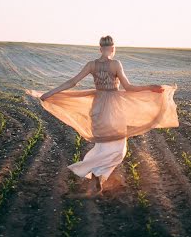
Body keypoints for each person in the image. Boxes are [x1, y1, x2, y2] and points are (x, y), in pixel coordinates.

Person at [25, 35, 179, 196]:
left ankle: (95, 179)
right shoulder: (116, 64)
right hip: (114, 108)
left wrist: (49, 93)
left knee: (102, 146)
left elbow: (72, 82)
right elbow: (128, 87)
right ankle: (97, 174)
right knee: (118, 148)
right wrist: (150, 87)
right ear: (113, 49)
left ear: (100, 49)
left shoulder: (91, 65)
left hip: (97, 108)